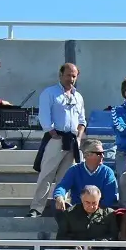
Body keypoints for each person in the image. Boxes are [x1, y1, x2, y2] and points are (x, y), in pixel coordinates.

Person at [29, 64, 86, 218]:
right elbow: (44, 115)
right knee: (47, 174)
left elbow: (82, 120)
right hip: (56, 138)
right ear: (60, 75)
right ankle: (36, 208)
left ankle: (63, 206)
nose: (71, 79)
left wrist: (79, 137)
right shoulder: (50, 93)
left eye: (74, 76)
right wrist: (51, 130)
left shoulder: (78, 96)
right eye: (68, 75)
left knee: (66, 177)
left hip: (72, 139)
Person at [52, 139, 118, 214]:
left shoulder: (107, 172)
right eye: (98, 153)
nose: (102, 155)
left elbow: (110, 196)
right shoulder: (74, 170)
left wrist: (94, 209)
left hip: (100, 211)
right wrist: (59, 196)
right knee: (56, 205)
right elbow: (63, 186)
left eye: (103, 153)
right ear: (86, 155)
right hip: (78, 211)